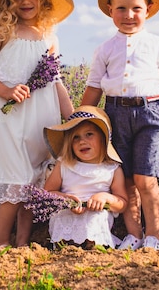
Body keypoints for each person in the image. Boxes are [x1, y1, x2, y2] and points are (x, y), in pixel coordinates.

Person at [0, 0, 75, 248]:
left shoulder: (49, 38)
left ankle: (22, 244)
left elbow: (56, 81)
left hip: (40, 117)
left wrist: (72, 118)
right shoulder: (0, 32)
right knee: (15, 181)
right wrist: (5, 91)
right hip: (9, 117)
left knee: (32, 182)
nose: (26, 1)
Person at [81, 0, 159, 250]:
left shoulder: (157, 45)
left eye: (136, 8)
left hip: (150, 115)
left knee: (145, 178)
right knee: (124, 181)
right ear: (110, 10)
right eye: (121, 9)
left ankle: (155, 236)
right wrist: (77, 123)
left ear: (148, 10)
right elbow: (94, 88)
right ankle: (134, 235)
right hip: (114, 116)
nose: (128, 15)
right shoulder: (104, 49)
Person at [43, 105, 128, 249]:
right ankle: (63, 244)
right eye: (76, 137)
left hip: (95, 213)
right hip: (68, 211)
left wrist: (105, 198)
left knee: (96, 218)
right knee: (61, 217)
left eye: (89, 134)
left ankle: (92, 246)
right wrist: (65, 200)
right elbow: (47, 193)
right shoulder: (64, 164)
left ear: (103, 139)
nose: (82, 141)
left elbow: (122, 203)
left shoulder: (111, 169)